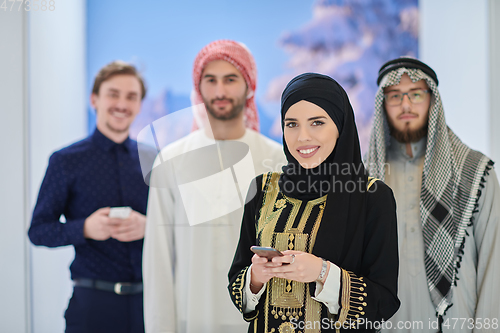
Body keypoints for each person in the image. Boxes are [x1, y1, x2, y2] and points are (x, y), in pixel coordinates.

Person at [228, 73, 400, 332]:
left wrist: (322, 272)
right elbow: (237, 279)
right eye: (292, 124)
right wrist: (255, 278)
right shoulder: (263, 188)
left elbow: (384, 302)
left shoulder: (372, 196)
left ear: (340, 126)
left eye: (317, 122)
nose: (302, 137)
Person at [143, 40, 287, 333]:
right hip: (191, 320)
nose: (220, 91)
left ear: (249, 86)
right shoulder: (170, 160)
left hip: (261, 322)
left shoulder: (277, 159)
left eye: (231, 79)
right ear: (199, 88)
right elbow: (158, 259)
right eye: (211, 80)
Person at [365, 57, 500, 332]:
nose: (405, 105)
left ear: (432, 99)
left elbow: (493, 262)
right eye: (395, 96)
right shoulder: (361, 178)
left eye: (416, 94)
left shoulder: (475, 172)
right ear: (382, 103)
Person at [28, 61, 152, 333]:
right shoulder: (65, 161)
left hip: (151, 305)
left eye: (131, 96)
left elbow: (178, 224)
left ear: (140, 104)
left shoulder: (153, 160)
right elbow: (38, 231)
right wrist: (85, 228)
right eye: (113, 94)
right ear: (94, 99)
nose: (122, 104)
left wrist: (149, 226)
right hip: (92, 307)